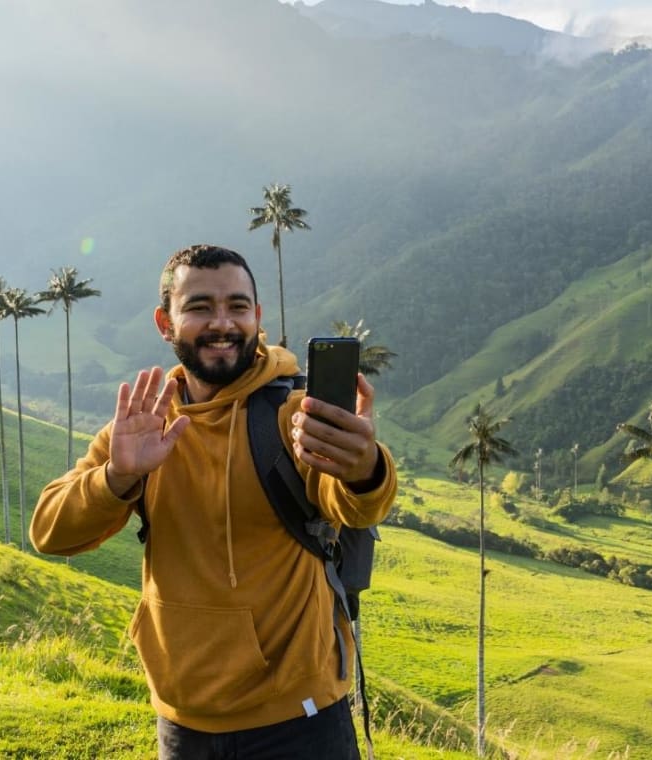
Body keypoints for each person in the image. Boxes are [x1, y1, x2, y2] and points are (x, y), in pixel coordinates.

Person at [31, 244, 397, 760]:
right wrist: (117, 476)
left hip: (300, 721)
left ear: (257, 317)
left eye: (238, 307)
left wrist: (363, 468)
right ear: (166, 322)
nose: (222, 323)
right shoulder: (144, 425)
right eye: (200, 307)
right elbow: (50, 532)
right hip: (182, 725)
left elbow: (352, 504)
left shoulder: (292, 413)